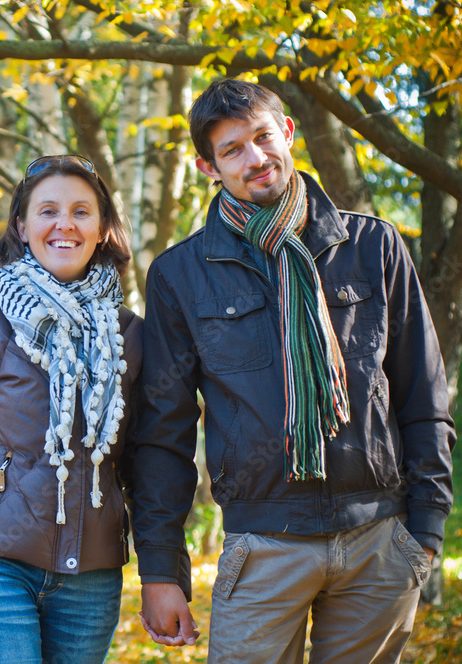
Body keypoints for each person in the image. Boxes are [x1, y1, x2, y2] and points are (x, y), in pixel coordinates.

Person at [131, 77, 456, 662]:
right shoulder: (181, 275)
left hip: (380, 541)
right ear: (209, 167)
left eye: (262, 137)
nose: (255, 158)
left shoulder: (373, 246)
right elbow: (162, 435)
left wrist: (425, 531)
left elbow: (422, 395)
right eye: (232, 150)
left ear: (287, 132)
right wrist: (160, 570)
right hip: (263, 546)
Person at [0, 154, 179, 664]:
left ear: (102, 230)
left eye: (81, 212)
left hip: (91, 572)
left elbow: (149, 465)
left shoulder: (133, 338)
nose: (64, 224)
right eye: (47, 211)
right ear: (22, 228)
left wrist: (163, 574)